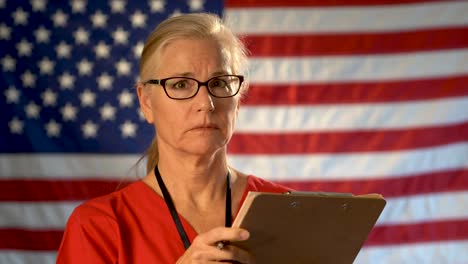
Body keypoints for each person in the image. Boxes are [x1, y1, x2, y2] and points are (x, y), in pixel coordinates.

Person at [56, 13, 290, 263]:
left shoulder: (289, 211)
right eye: (180, 84)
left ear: (238, 99)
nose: (206, 103)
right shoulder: (98, 225)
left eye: (220, 82)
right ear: (146, 102)